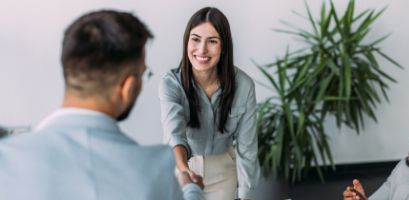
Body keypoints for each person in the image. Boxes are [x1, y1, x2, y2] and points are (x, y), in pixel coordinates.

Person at [0, 10, 204, 200]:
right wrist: (191, 189)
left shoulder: (7, 159)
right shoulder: (155, 169)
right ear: (128, 86)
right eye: (144, 74)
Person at [158, 7, 259, 200]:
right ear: (187, 41)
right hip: (183, 167)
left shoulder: (244, 85)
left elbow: (247, 147)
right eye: (195, 39)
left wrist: (245, 194)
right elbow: (174, 133)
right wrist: (184, 172)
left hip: (223, 171)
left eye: (212, 41)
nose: (202, 50)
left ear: (224, 47)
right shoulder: (170, 84)